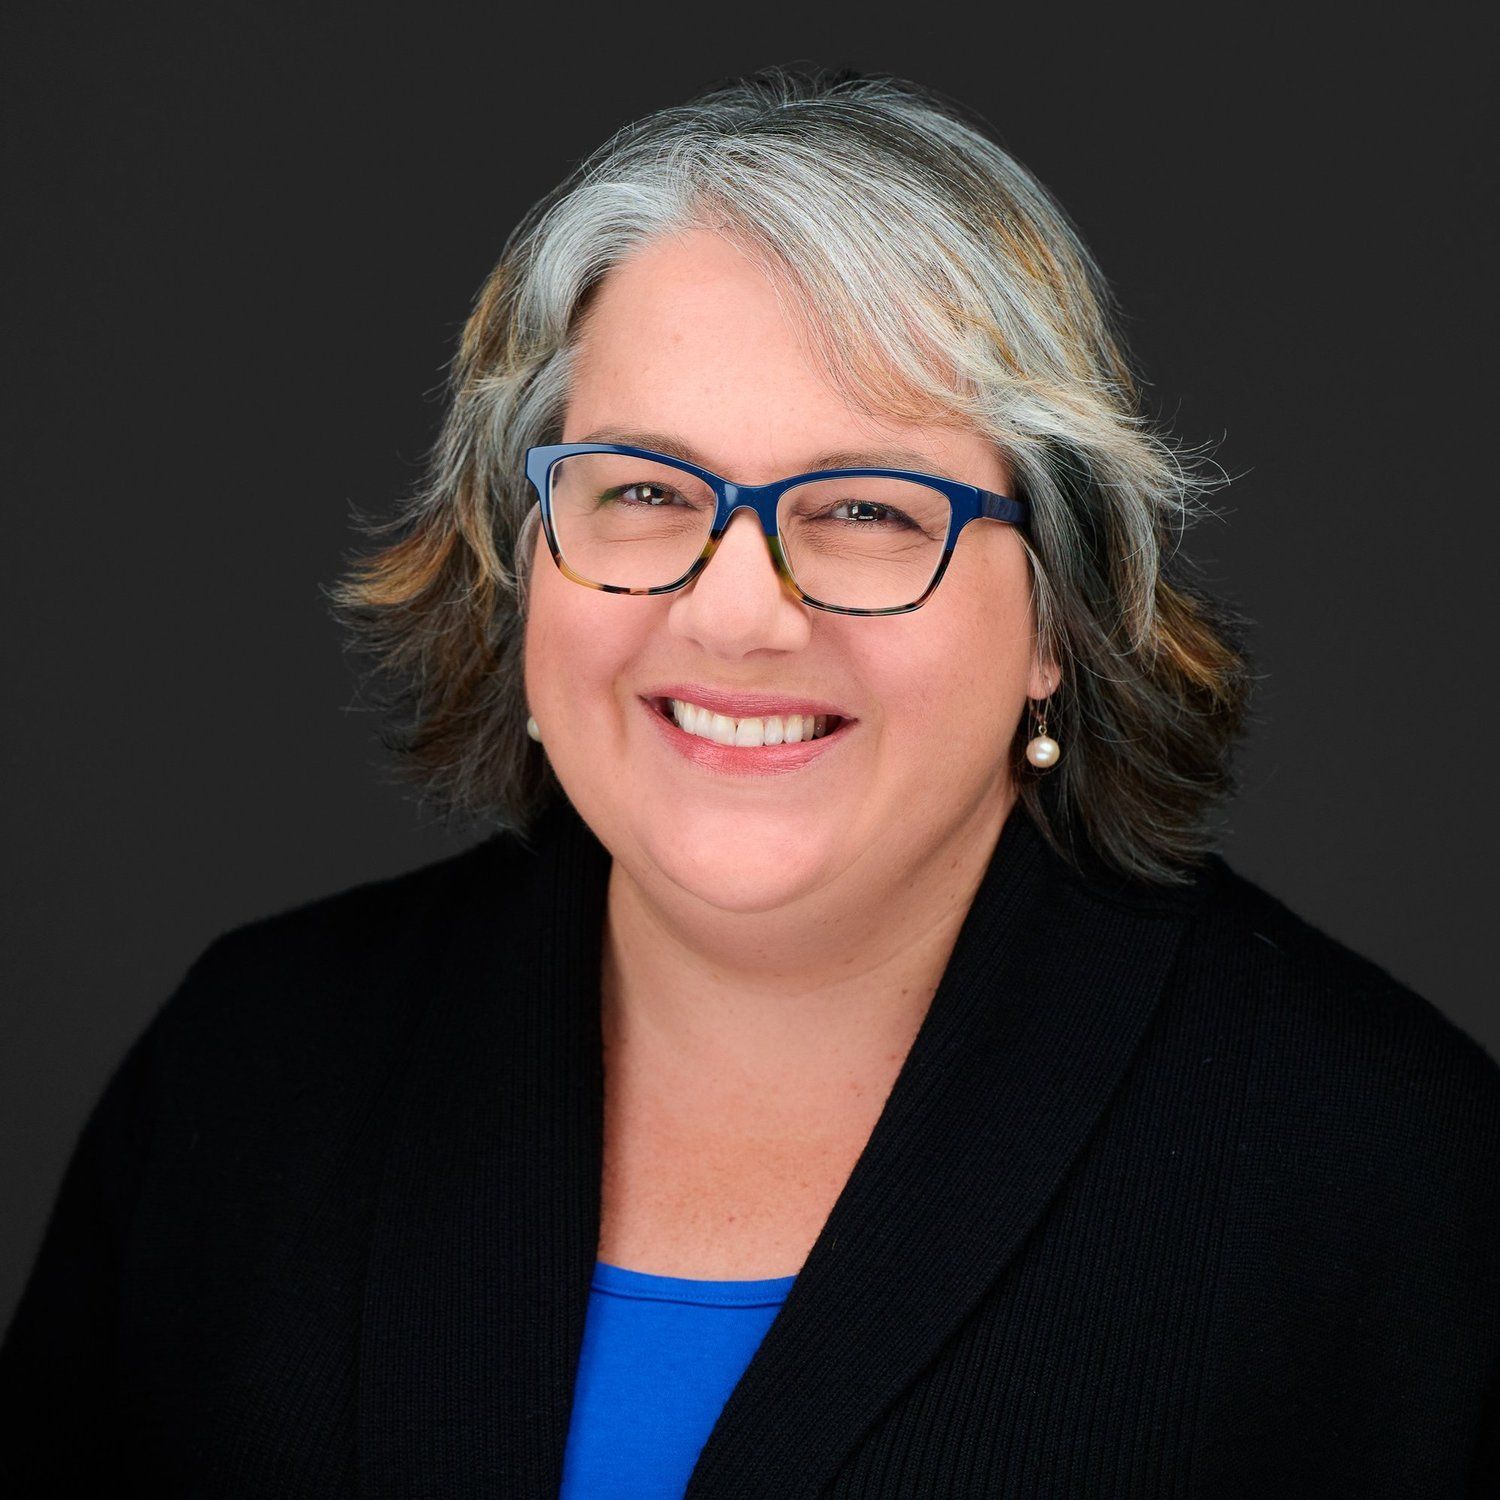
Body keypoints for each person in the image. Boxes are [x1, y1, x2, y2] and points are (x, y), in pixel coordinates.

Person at [2, 65, 1496, 1498]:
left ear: (1061, 612)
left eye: (866, 509)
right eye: (646, 491)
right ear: (525, 558)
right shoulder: (250, 1075)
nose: (734, 614)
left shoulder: (1386, 1176)